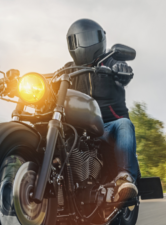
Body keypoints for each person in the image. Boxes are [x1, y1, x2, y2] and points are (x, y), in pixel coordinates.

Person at [57, 18, 138, 203]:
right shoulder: (68, 69)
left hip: (108, 125)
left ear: (100, 39)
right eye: (78, 40)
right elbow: (49, 83)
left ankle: (124, 178)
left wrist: (122, 70)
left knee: (125, 124)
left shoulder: (111, 61)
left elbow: (125, 72)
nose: (83, 44)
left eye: (88, 39)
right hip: (79, 127)